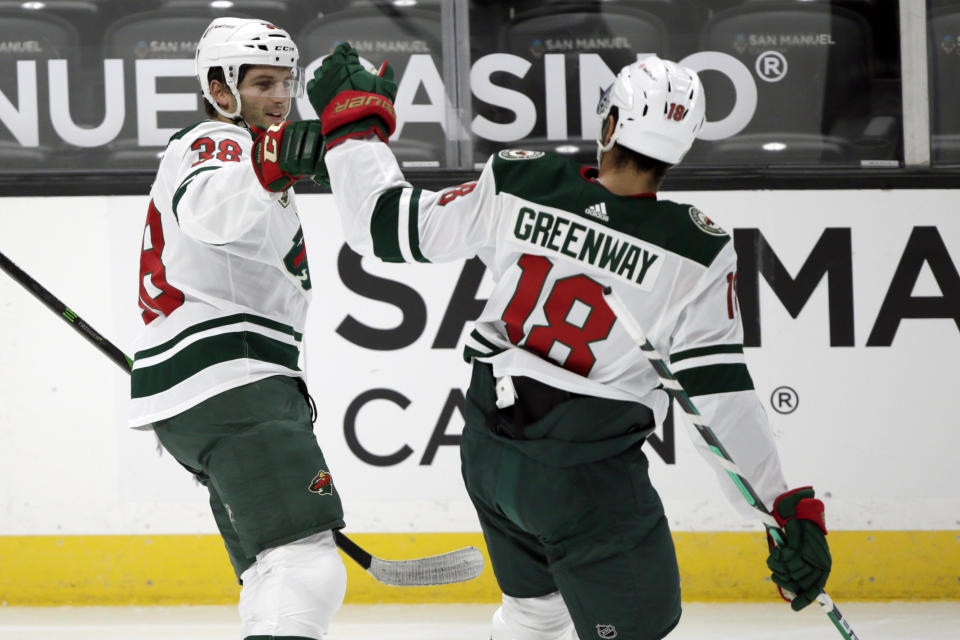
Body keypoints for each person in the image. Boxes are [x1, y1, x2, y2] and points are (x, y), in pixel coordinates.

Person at [308, 43, 832, 640]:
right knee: (639, 626)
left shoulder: (521, 178)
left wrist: (354, 130)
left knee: (534, 614)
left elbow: (383, 224)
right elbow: (719, 398)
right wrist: (778, 511)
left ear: (611, 122)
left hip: (489, 455)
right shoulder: (696, 252)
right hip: (584, 482)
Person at [128, 18, 345, 640]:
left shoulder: (250, 151)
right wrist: (269, 166)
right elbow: (211, 211)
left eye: (286, 81)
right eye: (261, 83)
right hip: (233, 379)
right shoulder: (217, 143)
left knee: (269, 571)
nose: (281, 96)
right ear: (221, 90)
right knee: (306, 566)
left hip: (215, 387)